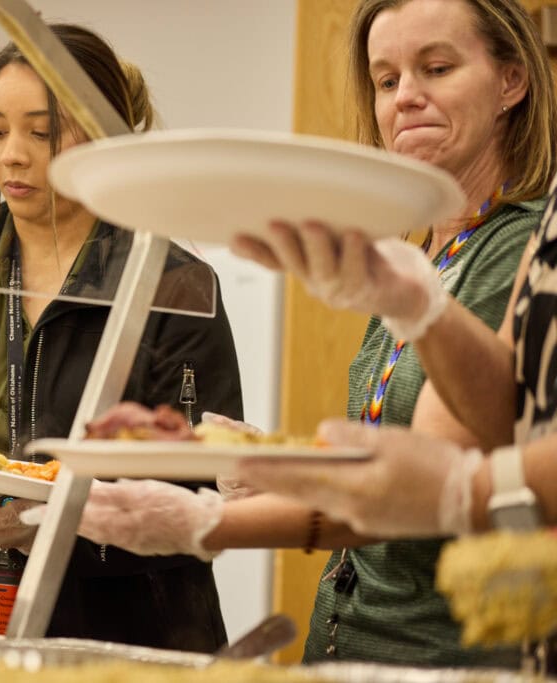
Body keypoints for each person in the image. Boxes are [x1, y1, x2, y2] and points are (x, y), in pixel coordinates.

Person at [58, 0, 557, 668]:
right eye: (386, 80)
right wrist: (256, 461)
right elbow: (381, 466)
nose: (406, 97)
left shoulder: (512, 246)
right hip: (347, 640)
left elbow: (411, 486)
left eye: (436, 68)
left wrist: (205, 523)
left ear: (511, 82)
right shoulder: (429, 257)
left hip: (437, 651)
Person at [0, 24, 244, 652]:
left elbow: (201, 496)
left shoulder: (172, 284)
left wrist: (53, 529)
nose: (11, 155)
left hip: (128, 634)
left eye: (42, 132)